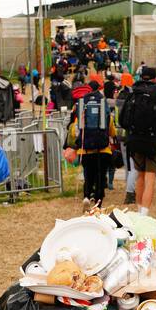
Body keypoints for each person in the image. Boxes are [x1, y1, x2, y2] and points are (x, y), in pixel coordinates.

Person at [117, 65, 156, 213]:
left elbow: (123, 120)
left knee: (140, 176)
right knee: (150, 178)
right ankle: (144, 213)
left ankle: (138, 209)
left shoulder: (133, 94)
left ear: (140, 77)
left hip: (136, 139)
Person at [67, 76, 115, 210]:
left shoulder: (83, 110)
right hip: (103, 149)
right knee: (100, 176)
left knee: (88, 175)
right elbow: (112, 131)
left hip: (85, 148)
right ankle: (98, 203)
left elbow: (74, 132)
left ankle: (87, 196)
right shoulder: (104, 109)